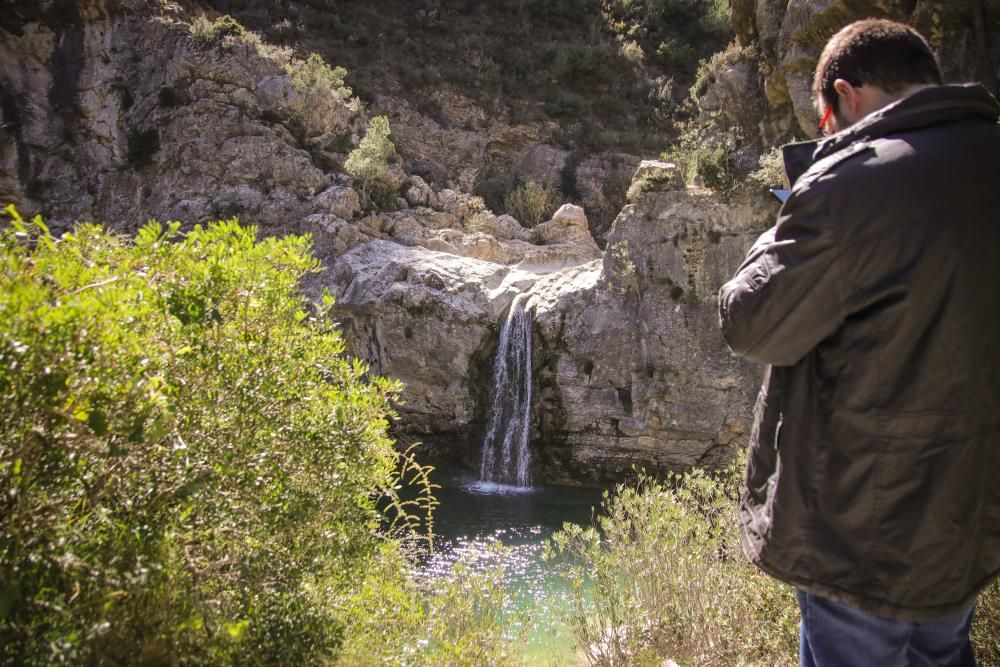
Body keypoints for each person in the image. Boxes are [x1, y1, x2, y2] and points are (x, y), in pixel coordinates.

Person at [718, 18, 1000, 666]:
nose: (828, 135)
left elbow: (751, 322)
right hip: (965, 514)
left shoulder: (851, 184)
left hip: (859, 528)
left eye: (825, 119)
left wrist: (787, 214)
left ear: (843, 96)